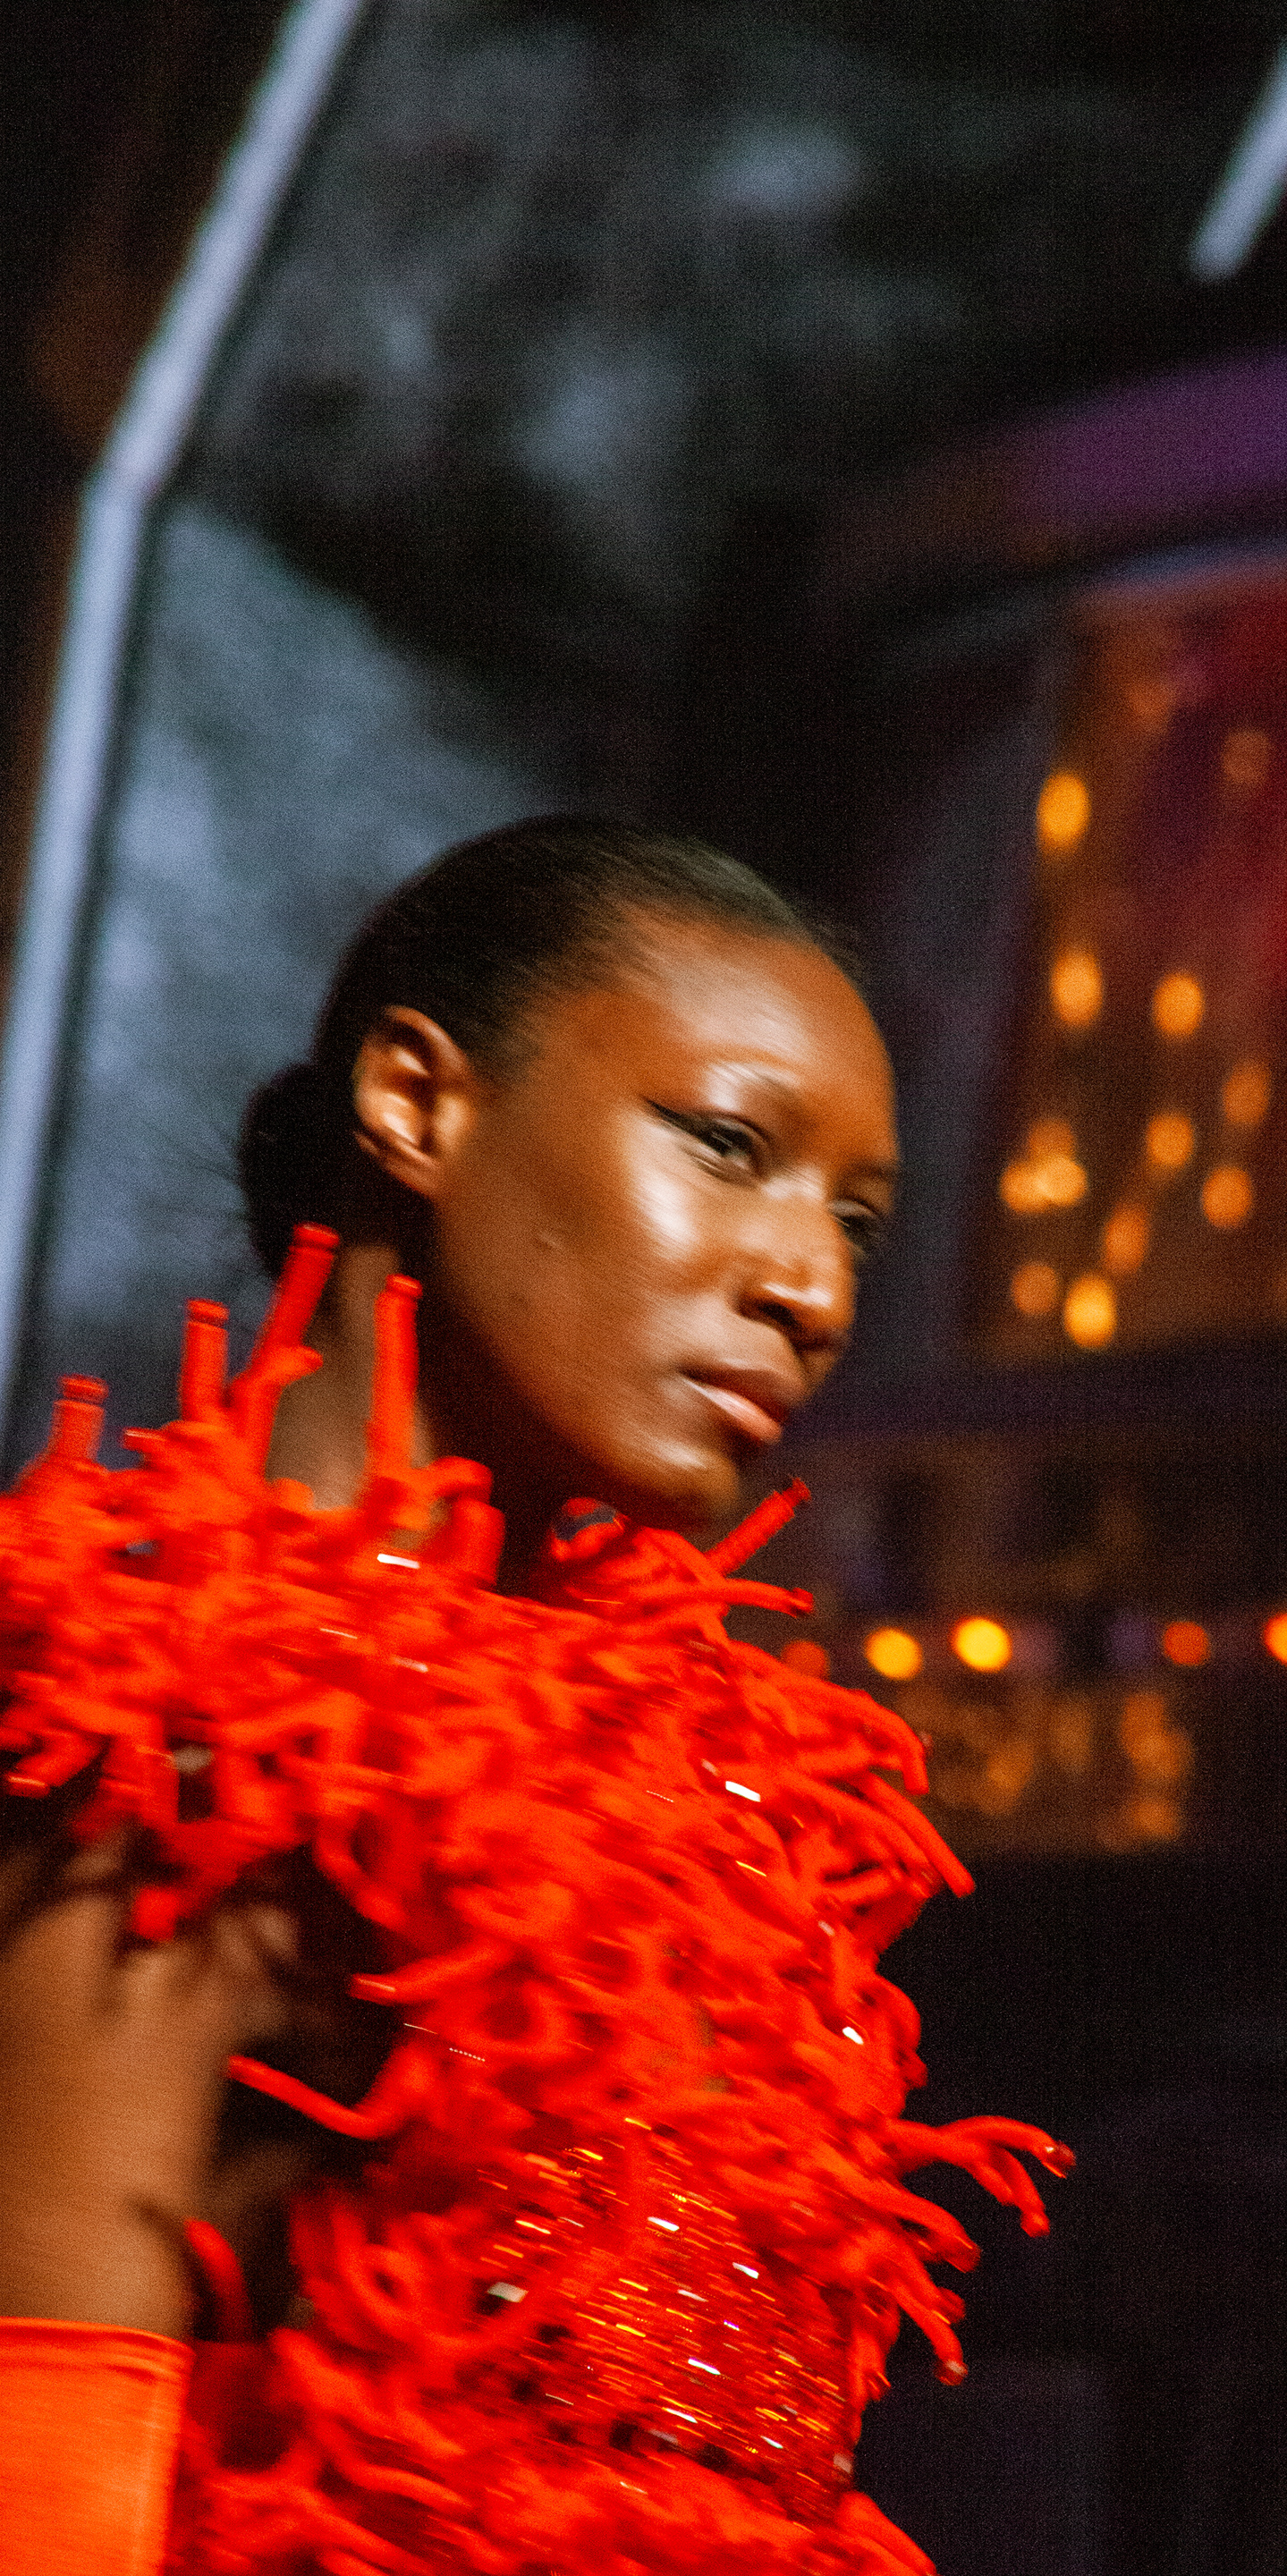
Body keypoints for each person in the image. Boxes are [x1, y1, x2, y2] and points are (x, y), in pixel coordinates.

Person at [0, 818, 1063, 2576]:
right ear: (420, 1103)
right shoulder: (172, 1724)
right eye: (729, 1147)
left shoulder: (714, 1809)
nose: (806, 1286)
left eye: (855, 1225)